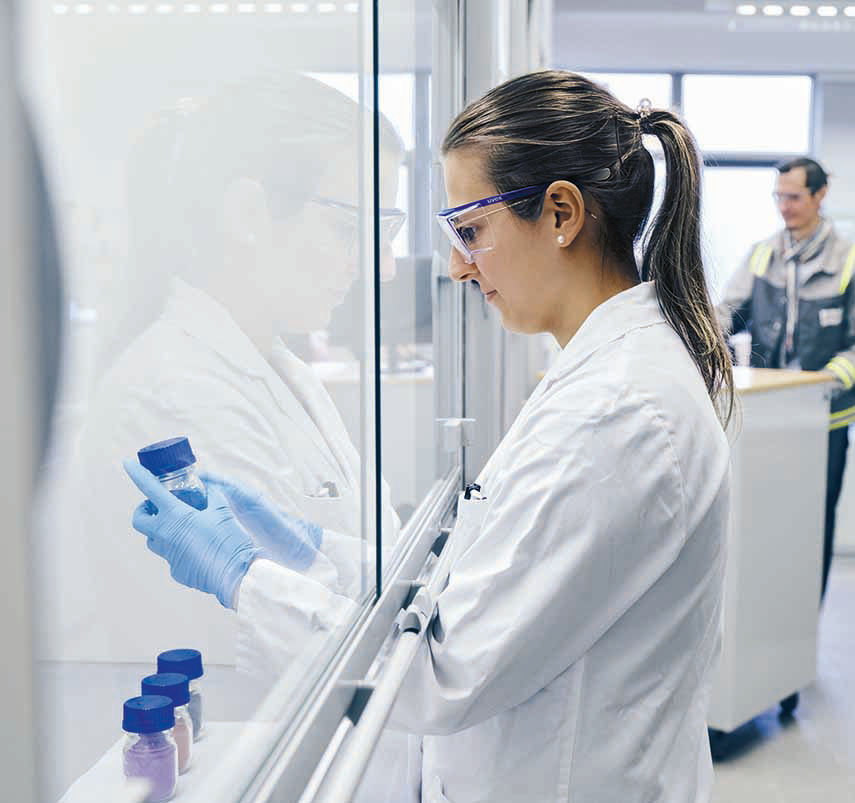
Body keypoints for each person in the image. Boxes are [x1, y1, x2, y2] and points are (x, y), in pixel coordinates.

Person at [124, 69, 733, 803]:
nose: (454, 264)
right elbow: (478, 578)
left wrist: (244, 575)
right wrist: (310, 549)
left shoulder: (614, 411)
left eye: (470, 230)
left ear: (561, 212)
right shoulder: (604, 379)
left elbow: (442, 669)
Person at [47, 75, 403, 668]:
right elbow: (288, 641)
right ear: (247, 213)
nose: (382, 266)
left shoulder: (279, 366)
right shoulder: (176, 394)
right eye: (350, 227)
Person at [718, 157, 855, 599]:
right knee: (763, 516)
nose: (784, 207)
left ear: (820, 195)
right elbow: (728, 314)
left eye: (793, 197)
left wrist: (821, 386)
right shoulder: (761, 255)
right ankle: (766, 613)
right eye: (779, 197)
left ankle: (806, 618)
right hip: (768, 416)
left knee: (815, 519)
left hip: (825, 419)